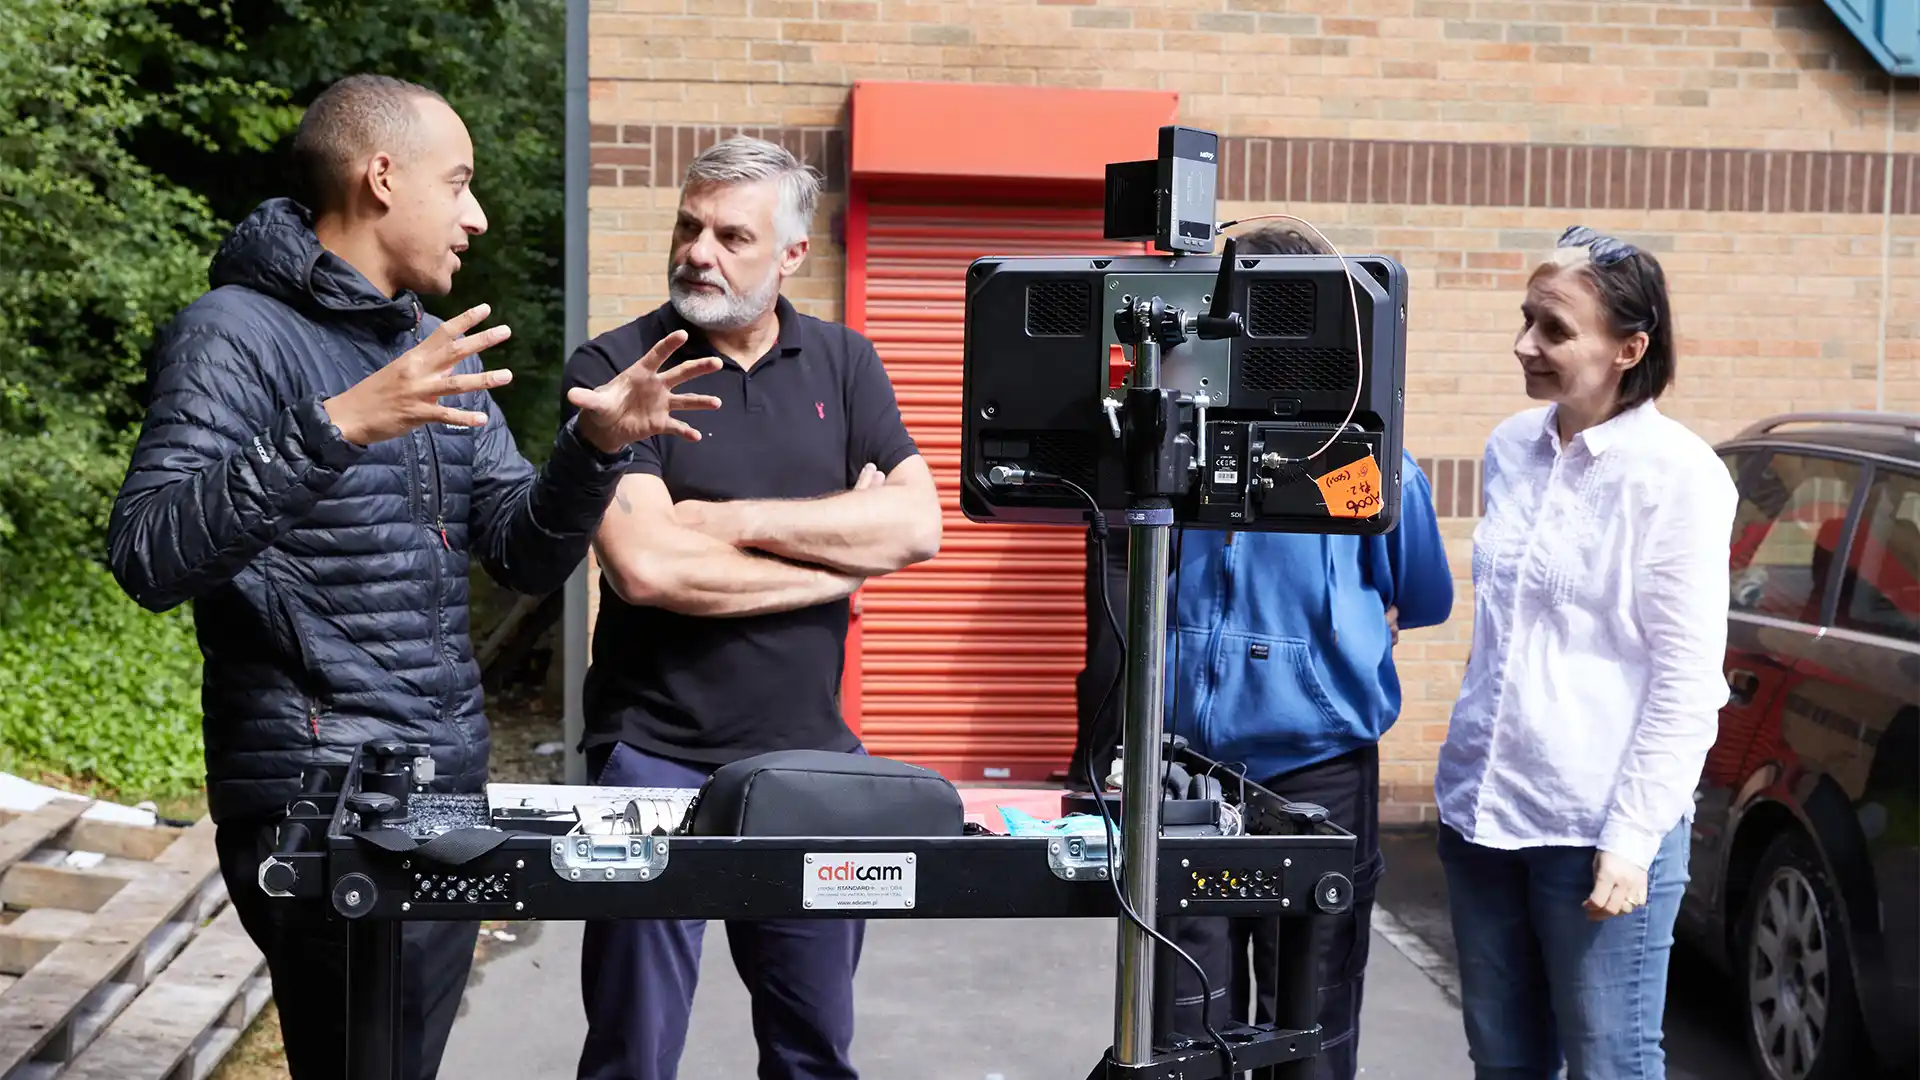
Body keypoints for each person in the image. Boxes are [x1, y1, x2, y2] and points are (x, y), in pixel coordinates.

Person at [105, 74, 721, 1080]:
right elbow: (149, 552)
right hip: (316, 801)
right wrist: (340, 423)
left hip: (438, 792)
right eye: (461, 183)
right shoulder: (232, 333)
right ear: (381, 177)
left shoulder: (421, 350)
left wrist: (594, 450)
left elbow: (522, 550)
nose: (476, 216)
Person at [559, 136, 943, 1080]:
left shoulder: (845, 362)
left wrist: (727, 521)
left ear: (790, 257)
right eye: (690, 226)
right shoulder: (617, 367)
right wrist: (834, 559)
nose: (700, 251)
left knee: (815, 1049)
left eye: (732, 235)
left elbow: (916, 525)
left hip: (809, 761)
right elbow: (648, 568)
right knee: (631, 1053)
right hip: (650, 757)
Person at [1152, 225, 1456, 1080]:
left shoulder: (1371, 460)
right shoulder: (1173, 451)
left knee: (1312, 1030)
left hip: (1320, 776)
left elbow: (1423, 596)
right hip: (1188, 779)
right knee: (1189, 1033)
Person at [1433, 226, 1737, 1079]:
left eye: (1555, 330)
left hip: (1596, 830)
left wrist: (1634, 840)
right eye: (1527, 319)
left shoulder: (1677, 475)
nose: (1525, 344)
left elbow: (1686, 680)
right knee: (1503, 1060)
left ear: (1629, 349)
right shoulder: (1509, 449)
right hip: (1481, 813)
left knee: (1611, 1062)